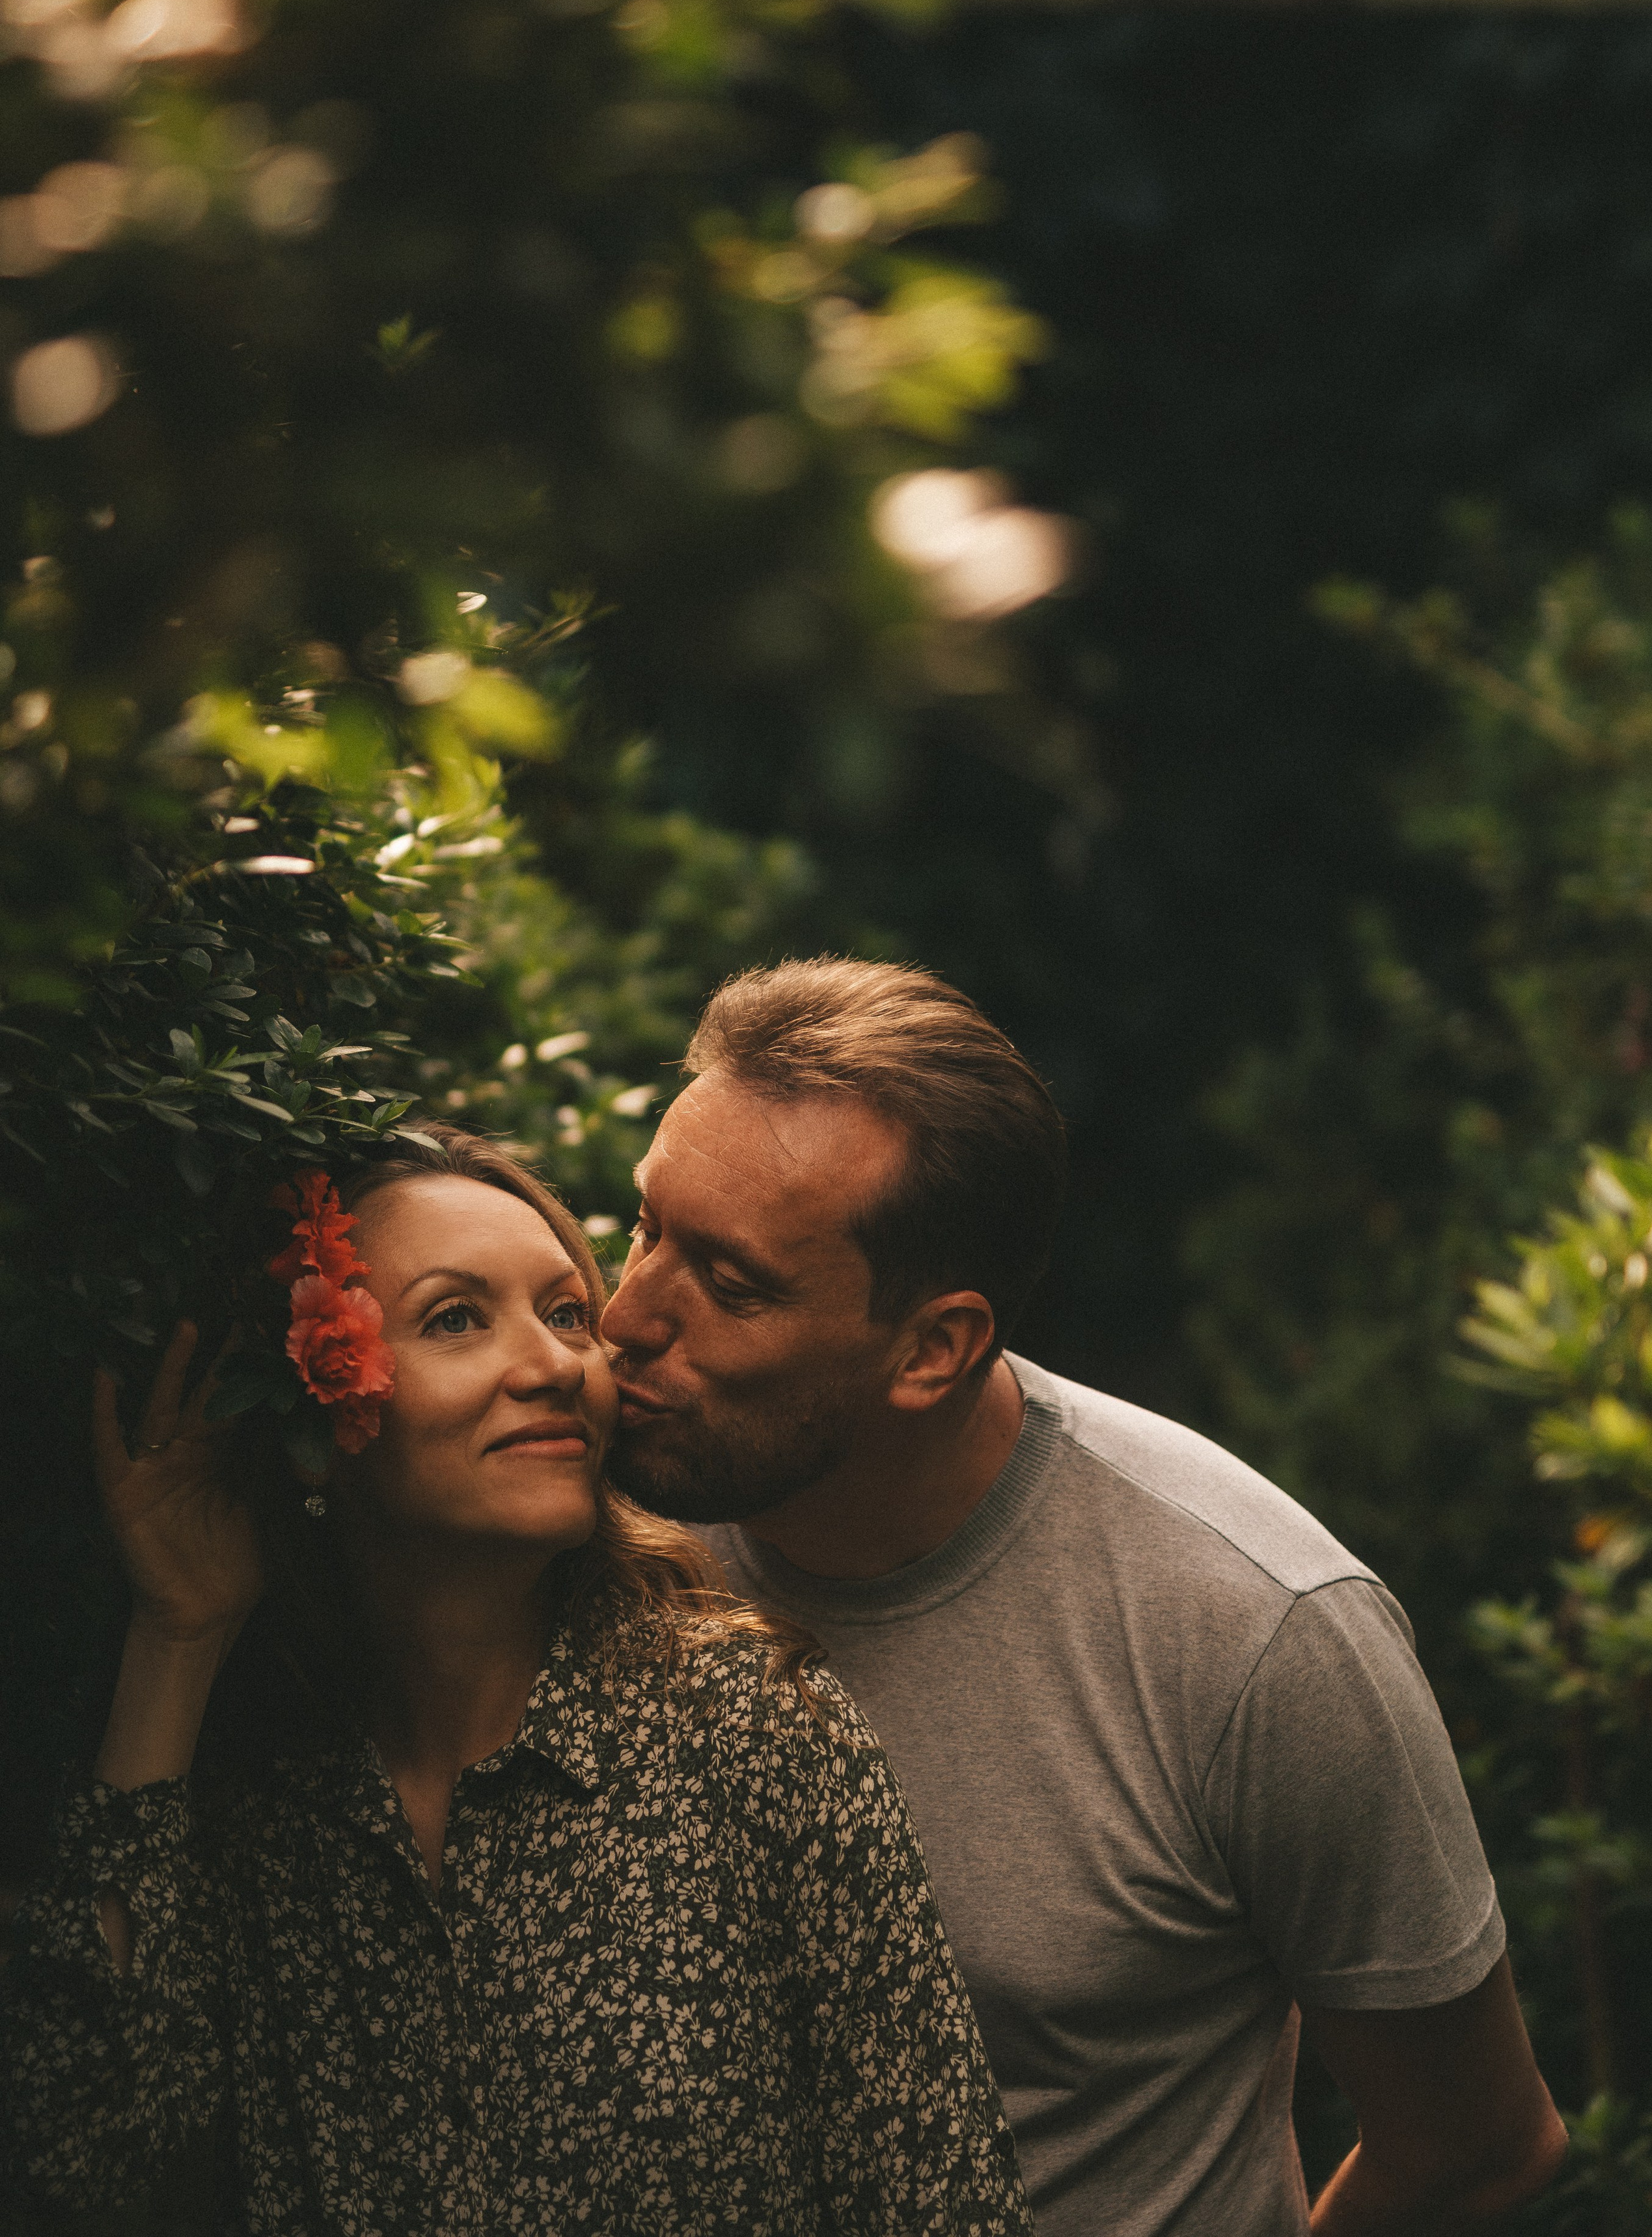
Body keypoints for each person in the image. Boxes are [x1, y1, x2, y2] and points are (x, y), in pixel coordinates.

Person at [599, 957, 1571, 2237]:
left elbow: (1473, 2149)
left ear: (932, 1349)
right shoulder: (585, 1516)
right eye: (643, 1225)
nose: (623, 1316)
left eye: (729, 1286)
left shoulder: (1253, 1630)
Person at [2, 1123, 1033, 2237]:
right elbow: (86, 2162)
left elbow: (946, 2206)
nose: (554, 1365)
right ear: (316, 1396)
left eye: (565, 1313)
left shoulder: (755, 1733)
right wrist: (179, 1637)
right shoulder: (239, 1778)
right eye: (456, 1319)